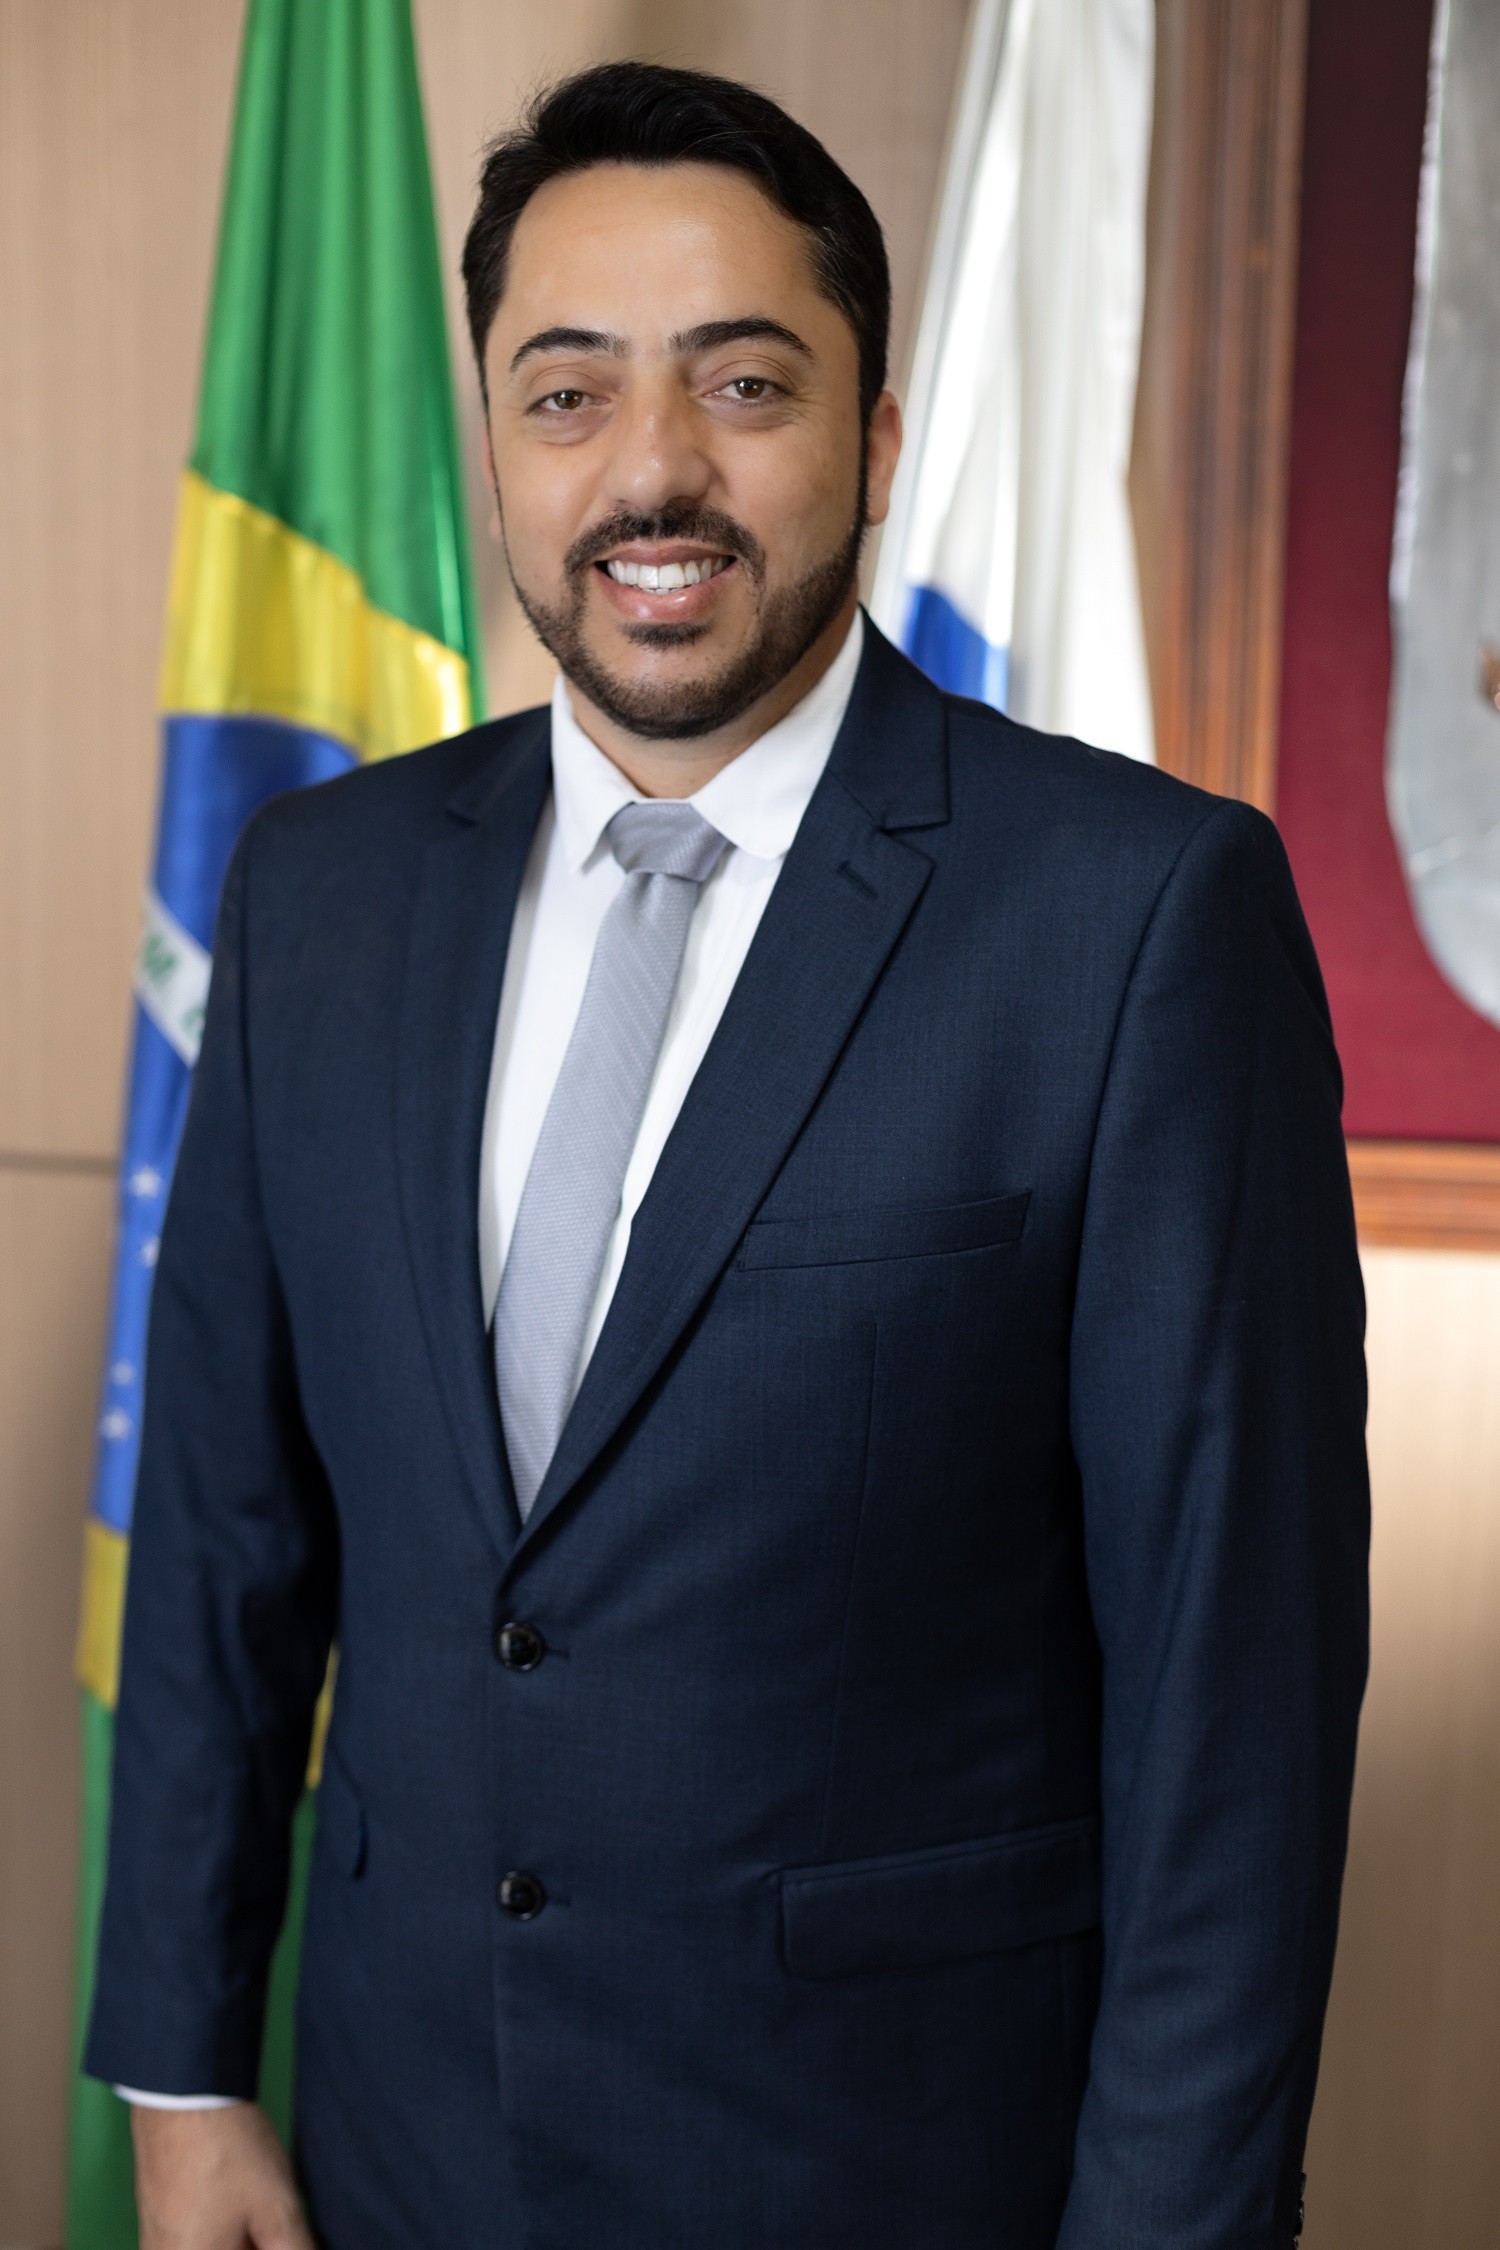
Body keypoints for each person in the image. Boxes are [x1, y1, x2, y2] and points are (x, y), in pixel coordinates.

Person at [86, 60, 1369, 2250]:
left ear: (873, 439)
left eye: (744, 382)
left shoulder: (1138, 917)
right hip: (393, 2163)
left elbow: (1230, 1710)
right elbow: (220, 1533)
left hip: (892, 2181)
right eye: (566, 392)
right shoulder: (319, 892)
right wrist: (188, 2072)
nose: (651, 468)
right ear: (499, 442)